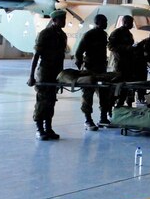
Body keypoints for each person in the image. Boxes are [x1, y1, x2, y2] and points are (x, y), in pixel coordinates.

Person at [27, 10, 68, 140]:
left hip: (56, 72)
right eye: (61, 19)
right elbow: (36, 56)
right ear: (54, 20)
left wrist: (61, 76)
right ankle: (39, 129)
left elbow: (61, 57)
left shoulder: (62, 35)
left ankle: (48, 128)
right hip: (45, 71)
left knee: (51, 101)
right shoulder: (45, 34)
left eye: (64, 19)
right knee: (42, 101)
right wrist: (31, 75)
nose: (64, 21)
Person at [74, 14, 109, 131]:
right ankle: (87, 120)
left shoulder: (104, 35)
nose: (106, 23)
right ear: (98, 22)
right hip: (90, 69)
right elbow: (78, 52)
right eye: (105, 21)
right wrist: (81, 69)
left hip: (101, 69)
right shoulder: (89, 35)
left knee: (104, 93)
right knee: (88, 95)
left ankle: (103, 117)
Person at [107, 14, 135, 118]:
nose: (132, 25)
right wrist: (126, 48)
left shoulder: (129, 34)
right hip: (119, 64)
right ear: (125, 22)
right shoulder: (117, 33)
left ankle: (120, 108)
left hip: (128, 64)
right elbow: (111, 46)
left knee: (125, 88)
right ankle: (109, 109)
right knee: (116, 88)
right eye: (131, 23)